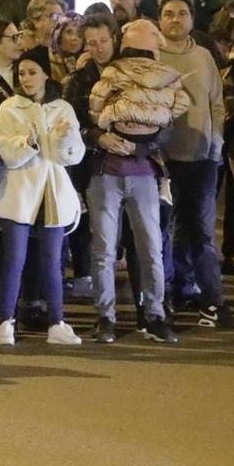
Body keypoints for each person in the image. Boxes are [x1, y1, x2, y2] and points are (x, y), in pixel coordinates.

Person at [87, 19, 189, 344]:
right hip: (107, 171)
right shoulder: (105, 75)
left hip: (144, 171)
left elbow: (170, 121)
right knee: (108, 248)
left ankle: (155, 314)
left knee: (148, 247)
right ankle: (106, 317)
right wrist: (100, 137)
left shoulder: (129, 76)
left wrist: (142, 143)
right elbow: (87, 115)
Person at [156, 0, 234, 326]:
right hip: (163, 159)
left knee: (202, 232)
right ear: (159, 19)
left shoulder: (204, 56)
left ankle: (213, 300)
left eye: (182, 13)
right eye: (168, 13)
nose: (175, 19)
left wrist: (216, 144)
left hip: (203, 158)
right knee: (168, 230)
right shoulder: (152, 56)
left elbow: (217, 103)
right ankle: (173, 294)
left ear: (192, 19)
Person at [0, 51, 85, 346]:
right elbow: (6, 154)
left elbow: (74, 155)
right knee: (14, 258)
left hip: (53, 192)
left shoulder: (63, 108)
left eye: (33, 72)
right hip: (18, 193)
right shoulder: (9, 108)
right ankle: (6, 321)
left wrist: (62, 138)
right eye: (22, 73)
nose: (27, 79)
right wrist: (28, 143)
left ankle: (56, 322)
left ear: (46, 74)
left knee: (53, 260)